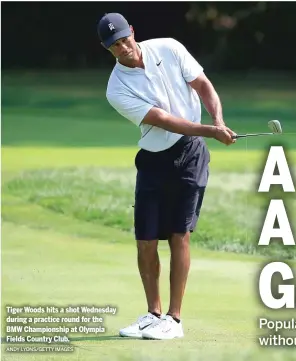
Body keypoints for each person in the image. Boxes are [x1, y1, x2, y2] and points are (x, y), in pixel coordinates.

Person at [97, 12, 237, 340]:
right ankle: (152, 313)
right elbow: (162, 119)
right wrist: (211, 130)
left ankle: (174, 320)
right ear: (108, 49)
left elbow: (202, 84)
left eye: (124, 39)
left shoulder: (169, 48)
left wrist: (217, 119)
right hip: (153, 159)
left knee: (179, 235)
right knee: (145, 241)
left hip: (190, 156)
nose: (123, 48)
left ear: (133, 30)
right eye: (114, 46)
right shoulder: (116, 88)